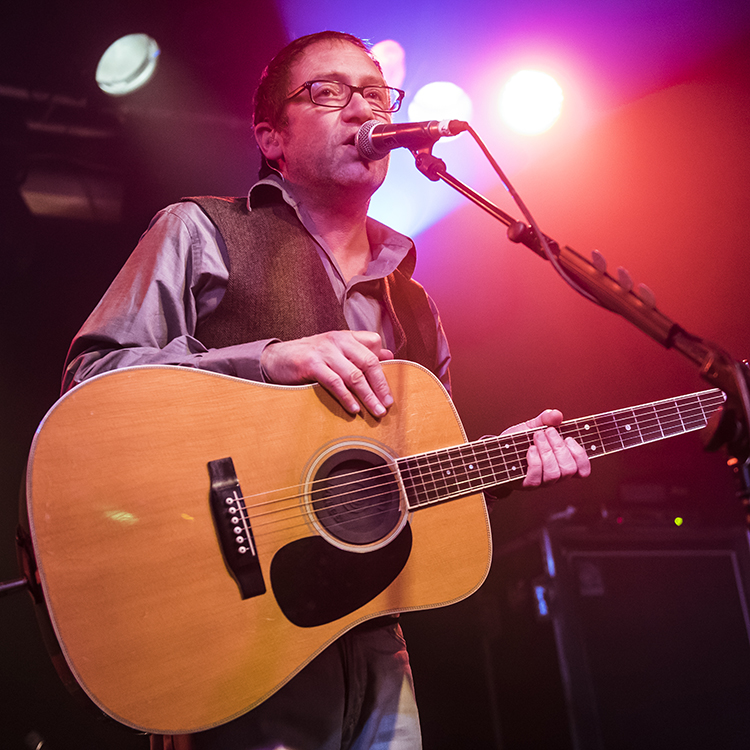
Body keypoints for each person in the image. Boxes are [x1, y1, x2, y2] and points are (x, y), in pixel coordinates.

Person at [62, 30, 591, 750]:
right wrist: (265, 359)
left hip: (373, 642)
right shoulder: (201, 231)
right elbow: (93, 380)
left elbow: (409, 477)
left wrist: (499, 460)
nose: (361, 109)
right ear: (270, 138)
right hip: (225, 635)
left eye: (375, 94)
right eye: (328, 92)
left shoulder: (414, 306)